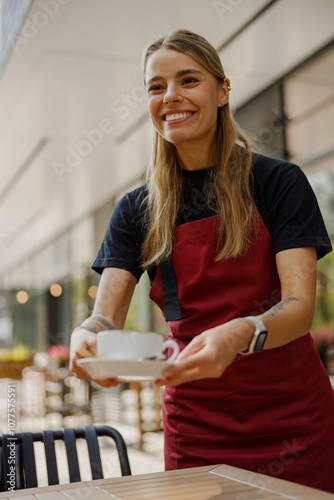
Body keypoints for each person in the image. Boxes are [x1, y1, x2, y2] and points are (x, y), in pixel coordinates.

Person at [69, 29, 334, 493]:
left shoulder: (278, 183)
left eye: (188, 80)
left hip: (293, 417)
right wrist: (84, 339)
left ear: (222, 90)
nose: (171, 96)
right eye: (156, 86)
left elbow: (297, 305)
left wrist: (237, 333)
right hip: (198, 423)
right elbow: (102, 319)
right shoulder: (136, 209)